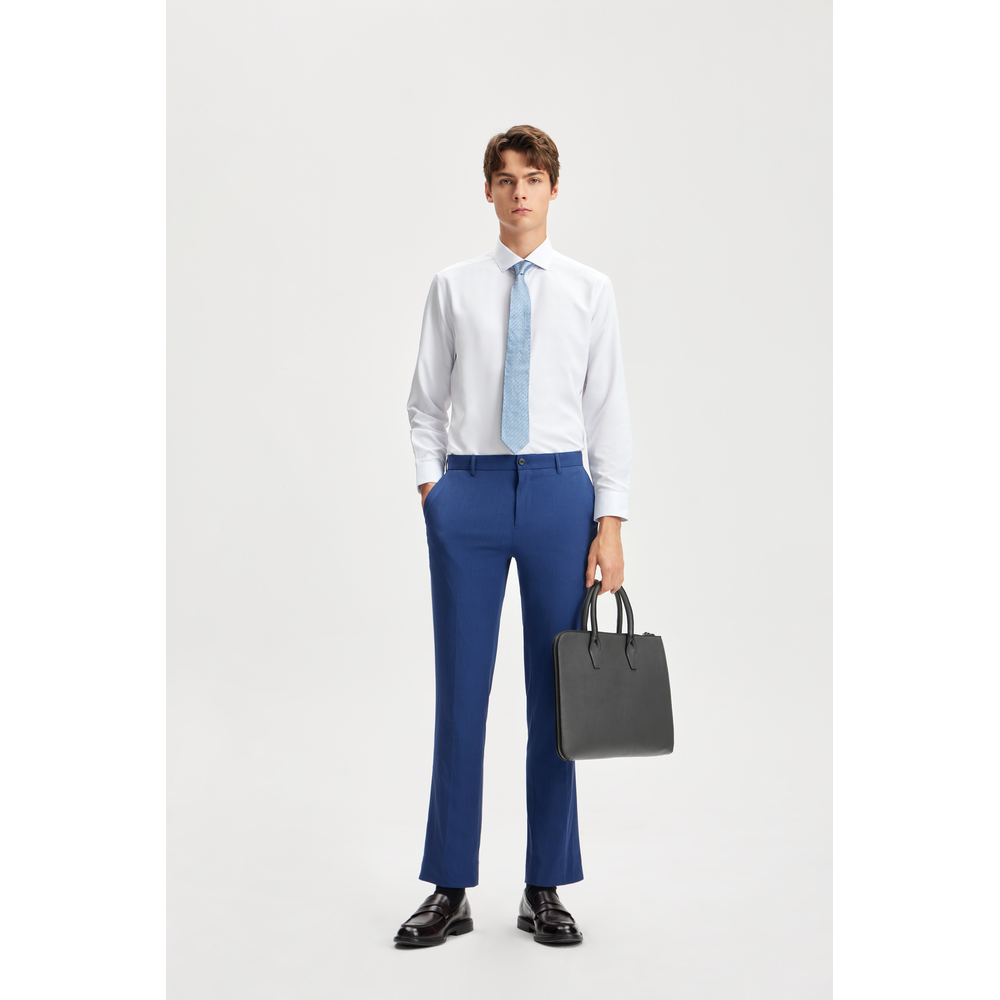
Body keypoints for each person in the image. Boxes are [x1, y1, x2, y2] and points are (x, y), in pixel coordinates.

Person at [396, 125, 631, 948]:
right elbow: (425, 402)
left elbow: (609, 409)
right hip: (470, 494)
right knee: (460, 694)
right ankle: (450, 886)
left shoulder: (590, 290)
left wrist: (610, 522)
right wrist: (436, 493)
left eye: (533, 178)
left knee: (556, 696)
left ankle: (545, 886)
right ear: (489, 191)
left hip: (562, 493)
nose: (520, 192)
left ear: (553, 190)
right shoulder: (453, 287)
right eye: (506, 179)